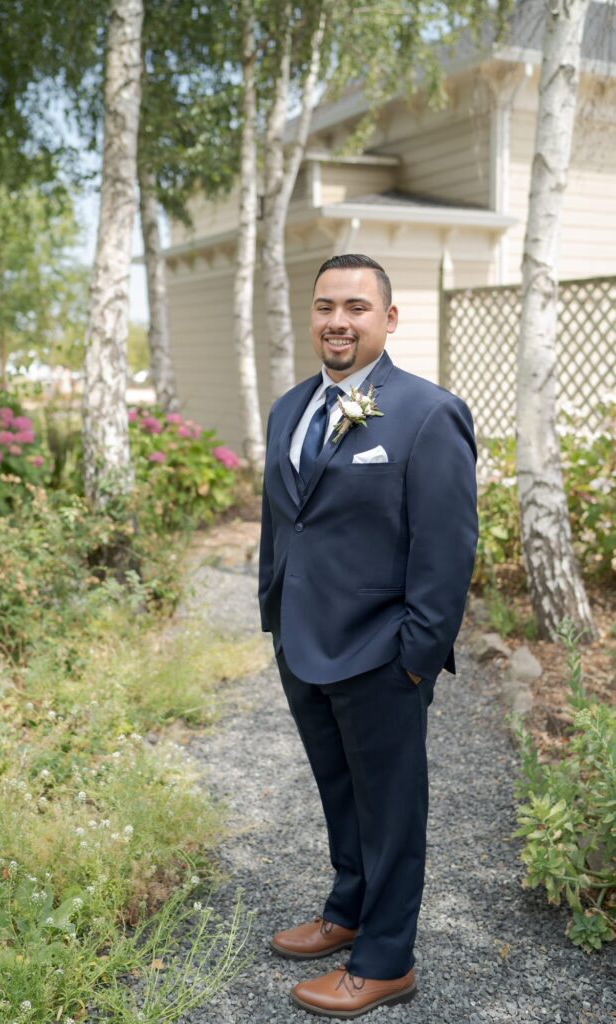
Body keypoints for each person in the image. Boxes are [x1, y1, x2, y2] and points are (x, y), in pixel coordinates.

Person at [258, 254, 478, 1018]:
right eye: (325, 306)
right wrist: (272, 614)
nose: (337, 321)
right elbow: (282, 524)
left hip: (382, 656)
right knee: (339, 795)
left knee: (391, 810)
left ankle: (385, 959)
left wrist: (415, 657)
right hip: (302, 644)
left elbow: (446, 549)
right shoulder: (289, 409)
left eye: (356, 306)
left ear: (389, 318)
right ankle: (346, 911)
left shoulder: (426, 412)